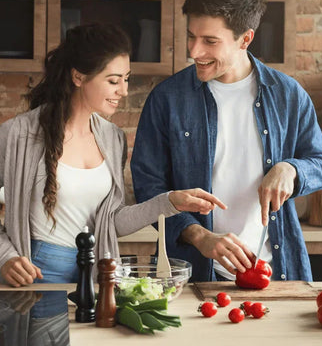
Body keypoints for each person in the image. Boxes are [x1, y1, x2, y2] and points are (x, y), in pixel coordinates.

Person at [130, 0, 322, 282]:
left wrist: (290, 170)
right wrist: (198, 236)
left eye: (210, 41)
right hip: (193, 275)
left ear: (245, 39)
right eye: (191, 36)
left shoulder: (288, 95)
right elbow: (149, 187)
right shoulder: (167, 99)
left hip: (273, 272)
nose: (195, 51)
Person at [0, 23, 226, 288]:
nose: (124, 91)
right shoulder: (18, 135)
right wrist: (5, 255)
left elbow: (112, 222)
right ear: (78, 77)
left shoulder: (113, 138)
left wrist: (170, 201)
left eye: (126, 79)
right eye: (113, 80)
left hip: (99, 271)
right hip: (37, 271)